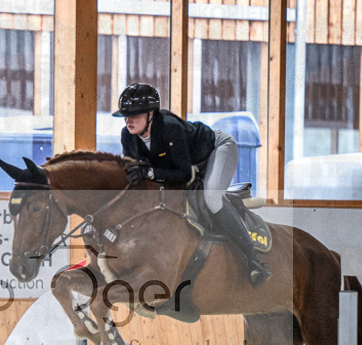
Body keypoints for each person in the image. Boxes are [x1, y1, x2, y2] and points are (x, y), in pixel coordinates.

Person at [113, 83, 270, 288]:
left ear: (151, 114)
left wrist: (150, 172)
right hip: (190, 163)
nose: (128, 120)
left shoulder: (169, 127)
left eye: (135, 114)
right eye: (125, 115)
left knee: (211, 198)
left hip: (217, 149)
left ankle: (254, 262)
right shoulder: (128, 136)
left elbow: (183, 174)